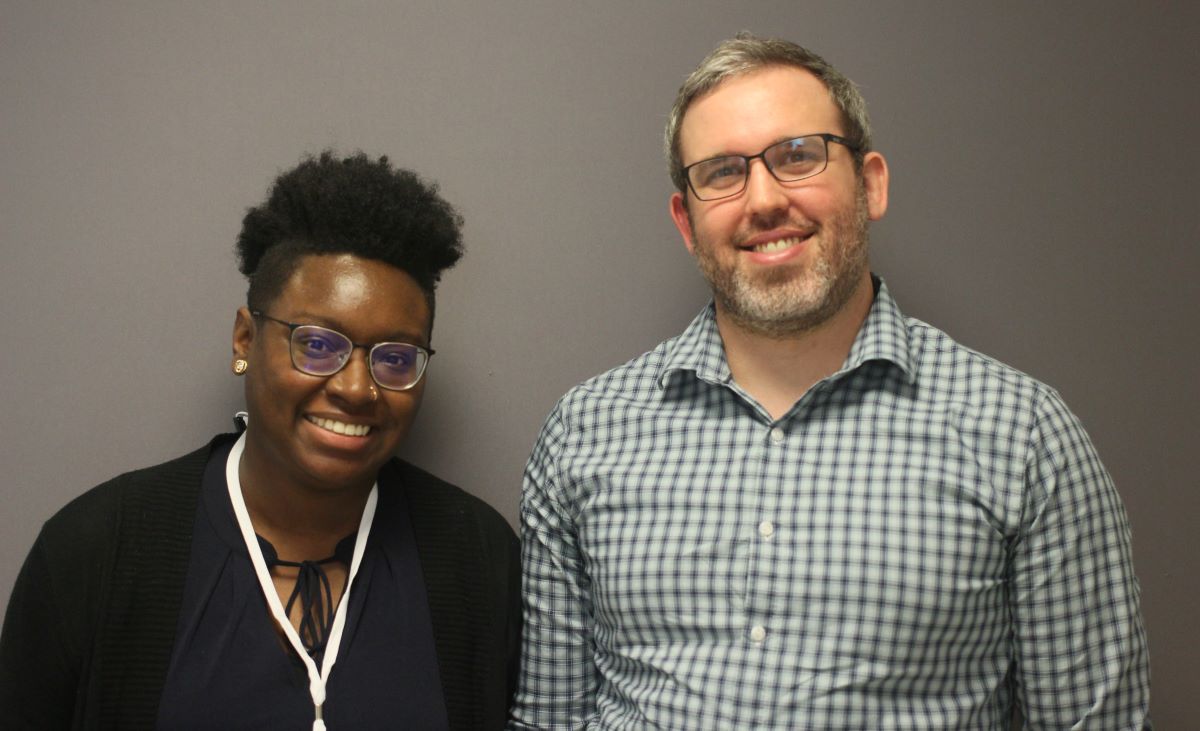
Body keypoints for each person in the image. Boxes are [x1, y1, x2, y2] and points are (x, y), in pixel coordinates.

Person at [509, 34, 1151, 729]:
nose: (762, 200)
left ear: (870, 182)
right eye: (723, 171)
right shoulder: (584, 432)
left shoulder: (1023, 435)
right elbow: (549, 718)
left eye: (797, 156)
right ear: (686, 223)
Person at [0, 151, 519, 729]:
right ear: (245, 340)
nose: (356, 389)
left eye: (396, 357)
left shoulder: (478, 558)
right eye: (318, 344)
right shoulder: (96, 551)